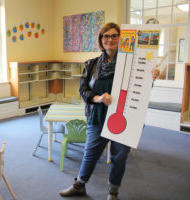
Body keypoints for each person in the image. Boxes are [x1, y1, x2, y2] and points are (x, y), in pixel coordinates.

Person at [59, 22, 160, 200]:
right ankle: (79, 185)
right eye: (106, 36)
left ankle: (113, 192)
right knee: (90, 154)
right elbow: (83, 90)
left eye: (114, 36)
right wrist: (98, 98)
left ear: (121, 39)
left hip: (125, 118)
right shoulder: (91, 64)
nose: (110, 39)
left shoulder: (133, 64)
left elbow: (141, 89)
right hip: (98, 116)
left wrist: (150, 78)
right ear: (101, 40)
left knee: (119, 157)